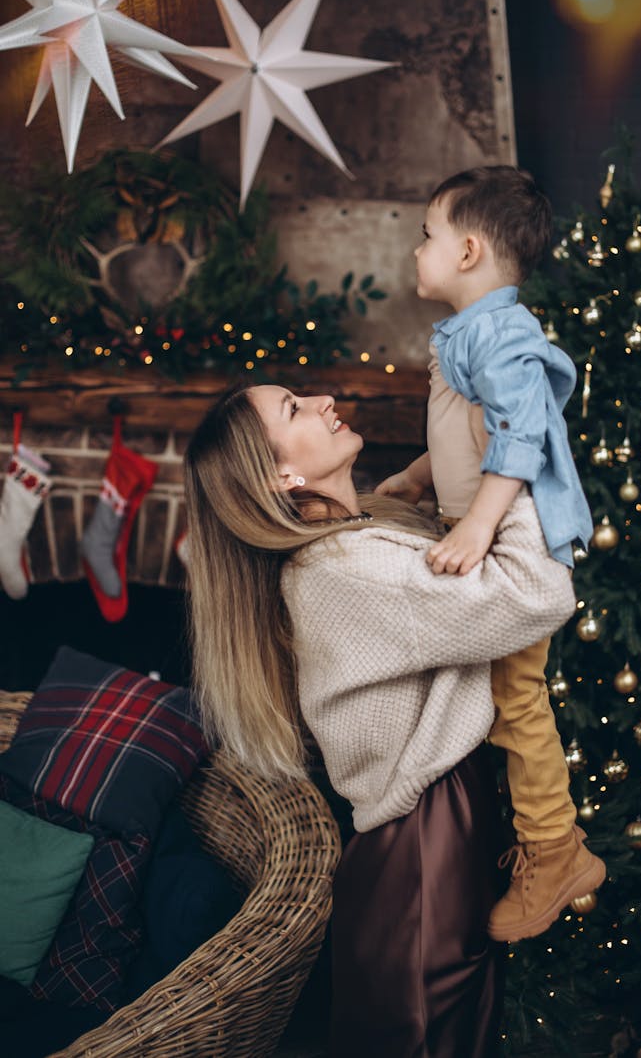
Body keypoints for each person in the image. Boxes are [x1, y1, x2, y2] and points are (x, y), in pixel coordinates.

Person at [183, 379, 576, 1058]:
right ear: (282, 475)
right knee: (427, 1037)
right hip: (425, 844)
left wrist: (432, 482)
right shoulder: (341, 569)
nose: (322, 399)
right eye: (295, 409)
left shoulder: (346, 540)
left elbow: (419, 573)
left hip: (424, 835)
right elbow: (535, 593)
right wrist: (513, 464)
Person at [375, 165, 605, 943]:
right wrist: (414, 476)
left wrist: (475, 526)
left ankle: (554, 847)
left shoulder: (501, 332)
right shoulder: (471, 331)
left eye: (428, 236)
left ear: (469, 250)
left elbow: (522, 434)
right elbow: (464, 432)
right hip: (483, 519)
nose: (417, 251)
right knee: (499, 692)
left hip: (514, 535)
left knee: (517, 698)